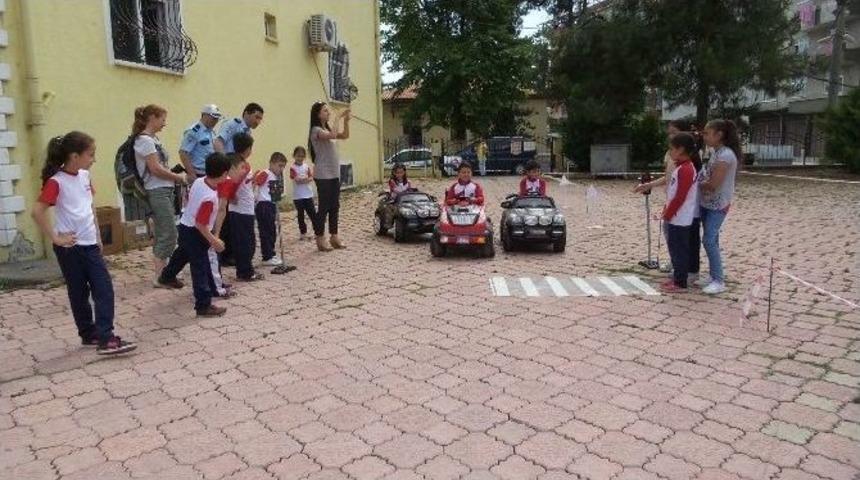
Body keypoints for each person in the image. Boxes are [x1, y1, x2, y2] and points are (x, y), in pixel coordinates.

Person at [31, 132, 137, 354]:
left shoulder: (85, 176)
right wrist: (56, 238)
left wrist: (98, 236)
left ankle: (103, 334)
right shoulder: (56, 182)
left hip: (89, 245)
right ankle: (94, 336)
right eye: (90, 155)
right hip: (70, 248)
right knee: (78, 292)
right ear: (74, 156)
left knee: (103, 288)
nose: (94, 159)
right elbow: (37, 212)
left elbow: (89, 207)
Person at [157, 152, 232, 317]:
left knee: (182, 254)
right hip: (195, 232)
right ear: (224, 174)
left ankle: (167, 276)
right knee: (200, 267)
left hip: (185, 225)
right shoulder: (210, 198)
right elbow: (201, 224)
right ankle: (203, 305)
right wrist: (214, 241)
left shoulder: (199, 181)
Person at [133, 105, 186, 285]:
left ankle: (163, 273)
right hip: (156, 190)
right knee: (170, 232)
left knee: (164, 231)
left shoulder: (153, 140)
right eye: (162, 119)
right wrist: (177, 177)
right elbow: (155, 169)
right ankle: (161, 276)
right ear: (152, 118)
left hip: (165, 189)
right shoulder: (145, 141)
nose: (165, 123)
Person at [215, 103, 264, 264]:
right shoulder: (232, 124)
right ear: (246, 113)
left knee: (232, 217)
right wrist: (226, 166)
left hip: (237, 170)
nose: (258, 121)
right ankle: (224, 253)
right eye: (256, 116)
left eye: (260, 118)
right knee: (226, 214)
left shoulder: (247, 131)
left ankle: (233, 252)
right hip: (229, 169)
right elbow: (218, 143)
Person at [699, 119, 740, 295]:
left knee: (708, 240)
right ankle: (713, 275)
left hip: (718, 204)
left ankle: (718, 280)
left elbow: (713, 184)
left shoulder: (726, 156)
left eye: (708, 133)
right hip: (707, 203)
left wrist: (696, 183)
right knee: (712, 239)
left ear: (719, 135)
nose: (704, 136)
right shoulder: (716, 152)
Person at [660, 133, 700, 293]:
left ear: (681, 149)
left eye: (672, 149)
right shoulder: (681, 167)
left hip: (680, 218)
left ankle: (680, 282)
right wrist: (666, 208)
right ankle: (678, 277)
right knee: (675, 248)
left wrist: (669, 213)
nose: (670, 152)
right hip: (676, 215)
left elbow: (680, 196)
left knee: (679, 250)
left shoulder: (686, 169)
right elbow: (672, 193)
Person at [309, 101, 351, 252]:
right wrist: (338, 116)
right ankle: (320, 238)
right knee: (324, 207)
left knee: (335, 206)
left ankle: (334, 237)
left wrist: (345, 121)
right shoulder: (316, 130)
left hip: (334, 173)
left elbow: (344, 135)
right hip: (323, 174)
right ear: (318, 114)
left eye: (328, 110)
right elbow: (333, 134)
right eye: (325, 111)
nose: (328, 113)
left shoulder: (326, 129)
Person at [221, 133, 262, 281]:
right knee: (247, 242)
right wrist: (231, 196)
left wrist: (253, 181)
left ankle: (243, 269)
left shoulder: (239, 162)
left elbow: (241, 183)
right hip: (241, 211)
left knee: (243, 241)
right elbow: (233, 182)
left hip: (244, 209)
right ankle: (246, 272)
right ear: (248, 149)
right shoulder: (242, 165)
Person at [255, 152, 288, 266]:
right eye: (279, 165)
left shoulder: (275, 176)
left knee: (272, 231)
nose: (281, 169)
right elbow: (256, 182)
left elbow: (276, 194)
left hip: (271, 205)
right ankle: (267, 256)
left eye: (283, 166)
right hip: (264, 205)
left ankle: (271, 253)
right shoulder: (266, 173)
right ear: (272, 163)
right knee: (266, 231)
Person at [179, 104, 222, 182]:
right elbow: (183, 153)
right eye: (213, 118)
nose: (215, 121)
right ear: (205, 115)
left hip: (209, 173)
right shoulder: (194, 131)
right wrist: (192, 174)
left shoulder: (211, 131)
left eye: (217, 119)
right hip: (198, 173)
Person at [289, 146, 317, 241]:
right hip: (298, 196)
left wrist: (304, 179)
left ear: (304, 157)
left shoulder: (306, 166)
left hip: (308, 195)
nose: (300, 158)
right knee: (301, 215)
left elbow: (311, 177)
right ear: (294, 156)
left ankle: (317, 232)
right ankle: (303, 233)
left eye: (302, 156)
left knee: (312, 214)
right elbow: (297, 180)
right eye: (298, 156)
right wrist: (306, 179)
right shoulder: (292, 168)